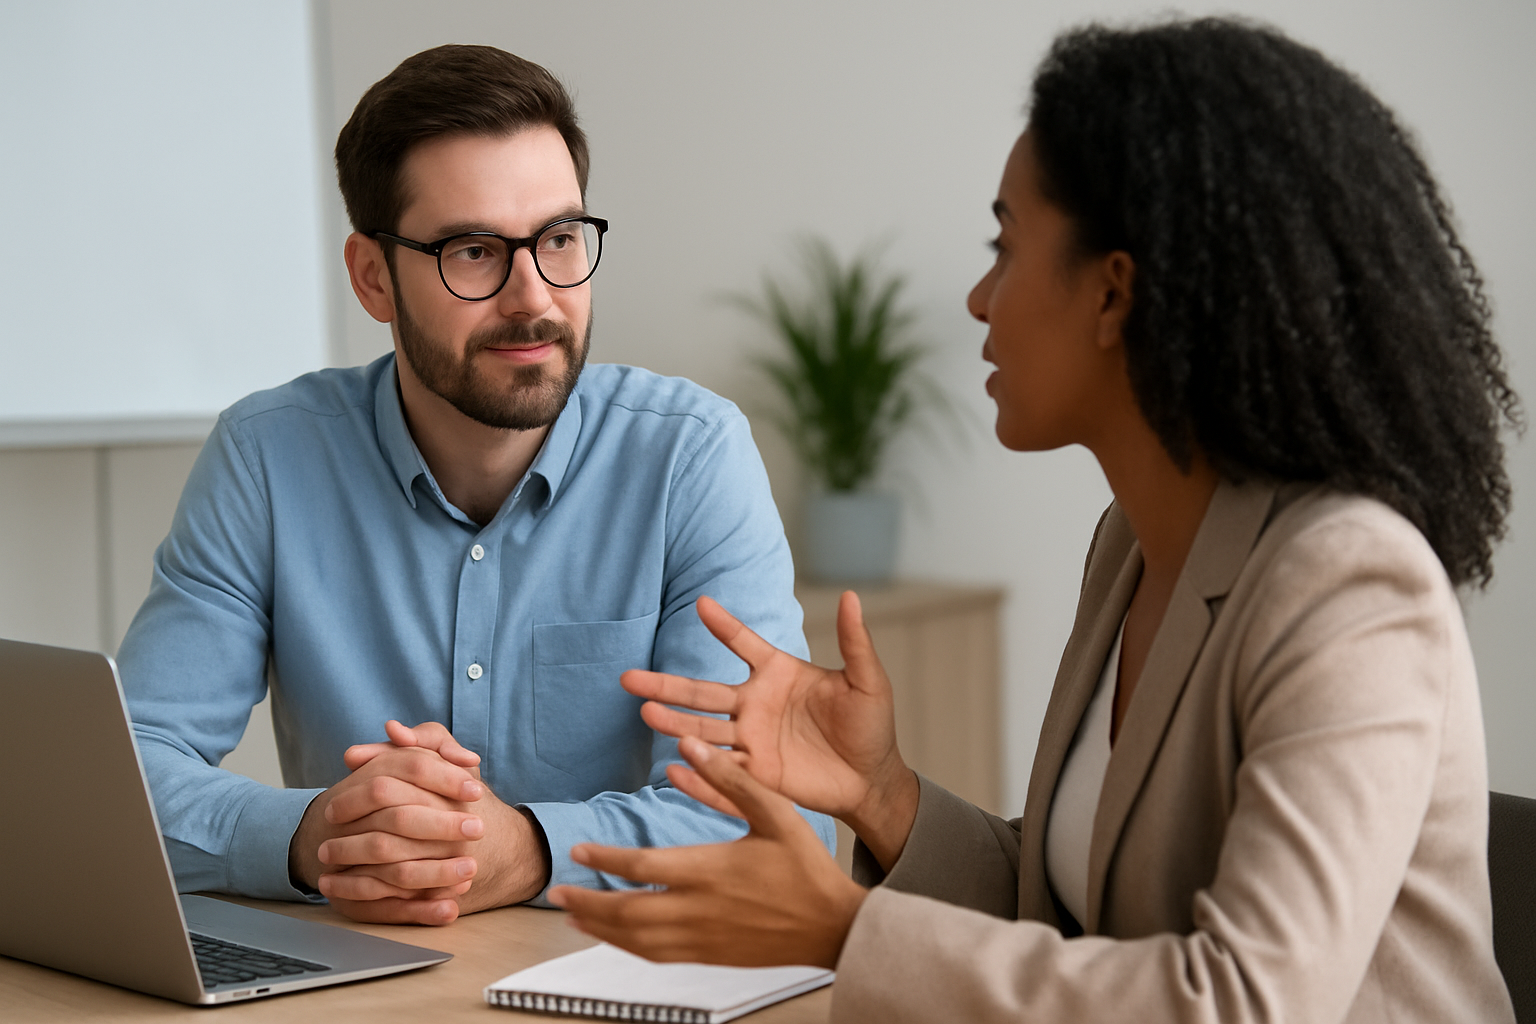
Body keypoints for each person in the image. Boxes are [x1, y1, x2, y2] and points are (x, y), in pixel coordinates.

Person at [548, 19, 1520, 1023]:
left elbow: (1243, 998)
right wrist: (882, 792)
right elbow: (1075, 919)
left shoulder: (1350, 581)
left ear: (1114, 292)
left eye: (1005, 245)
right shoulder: (1132, 548)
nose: (978, 297)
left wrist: (839, 929)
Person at [117, 44, 831, 927]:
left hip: (623, 980)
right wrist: (318, 835)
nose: (533, 296)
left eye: (560, 238)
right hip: (370, 986)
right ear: (374, 277)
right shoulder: (268, 457)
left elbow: (780, 824)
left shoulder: (688, 457)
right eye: (474, 251)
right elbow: (123, 773)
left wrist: (525, 849)